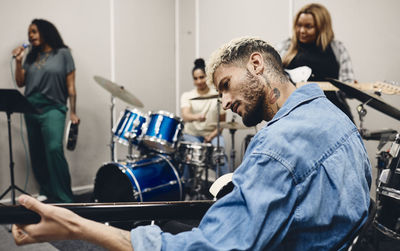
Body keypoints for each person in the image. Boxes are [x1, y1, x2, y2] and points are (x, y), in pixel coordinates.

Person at [12, 37, 371, 250]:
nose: (224, 102)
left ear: (257, 64)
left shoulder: (276, 148)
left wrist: (73, 226)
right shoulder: (334, 116)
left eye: (226, 84)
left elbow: (208, 247)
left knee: (172, 233)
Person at [11, 19, 79, 203]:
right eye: (29, 33)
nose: (30, 36)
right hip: (30, 107)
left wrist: (73, 112)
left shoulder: (64, 54)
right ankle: (47, 191)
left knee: (54, 149)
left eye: (34, 31)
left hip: (54, 107)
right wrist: (19, 61)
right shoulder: (32, 56)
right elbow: (20, 82)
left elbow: (71, 86)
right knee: (37, 151)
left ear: (45, 32)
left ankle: (65, 196)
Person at [276, 3, 355, 121]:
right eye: (299, 25)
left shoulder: (337, 48)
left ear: (322, 28)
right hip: (294, 116)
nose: (302, 30)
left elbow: (347, 88)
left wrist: (352, 89)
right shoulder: (285, 47)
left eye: (308, 26)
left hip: (333, 117)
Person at [180, 58, 229, 176]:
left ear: (207, 77)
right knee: (187, 154)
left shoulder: (218, 95)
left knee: (220, 152)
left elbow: (222, 124)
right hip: (192, 135)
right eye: (195, 78)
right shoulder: (188, 96)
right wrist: (197, 117)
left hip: (212, 135)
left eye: (202, 77)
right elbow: (185, 116)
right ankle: (187, 186)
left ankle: (225, 188)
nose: (199, 81)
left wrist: (210, 136)